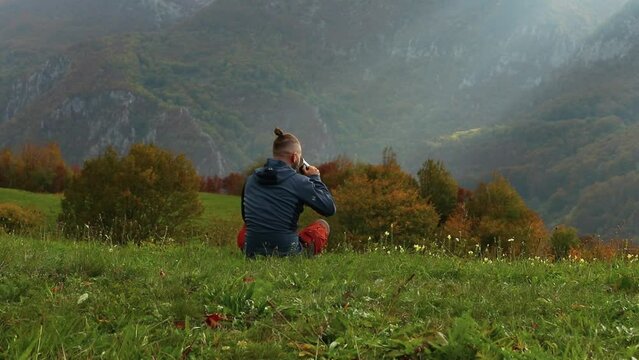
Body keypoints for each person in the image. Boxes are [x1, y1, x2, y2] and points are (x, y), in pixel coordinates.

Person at [237, 128, 336, 257]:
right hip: (287, 253)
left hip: (251, 251)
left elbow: (247, 218)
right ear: (295, 157)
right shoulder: (299, 182)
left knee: (248, 226)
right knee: (322, 226)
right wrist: (315, 178)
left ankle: (257, 249)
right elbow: (329, 208)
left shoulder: (251, 180)